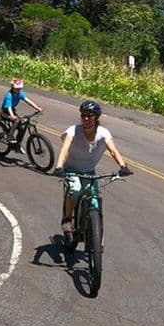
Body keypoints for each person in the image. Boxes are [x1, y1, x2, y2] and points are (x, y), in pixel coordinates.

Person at [52, 100, 132, 235]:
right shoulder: (73, 131)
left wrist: (123, 166)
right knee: (75, 189)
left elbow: (113, 151)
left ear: (96, 117)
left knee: (95, 199)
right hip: (71, 169)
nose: (86, 118)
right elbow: (65, 150)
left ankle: (97, 233)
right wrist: (59, 167)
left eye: (89, 115)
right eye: (83, 115)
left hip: (89, 171)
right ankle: (67, 219)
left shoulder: (103, 133)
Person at [1, 77, 44, 152]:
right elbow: (9, 107)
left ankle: (17, 146)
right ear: (12, 87)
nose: (18, 90)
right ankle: (9, 136)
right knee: (17, 121)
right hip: (5, 112)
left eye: (19, 88)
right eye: (16, 88)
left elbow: (28, 101)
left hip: (12, 111)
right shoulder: (9, 95)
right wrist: (12, 116)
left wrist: (37, 108)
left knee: (21, 129)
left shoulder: (20, 94)